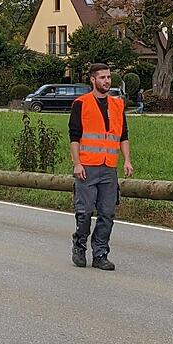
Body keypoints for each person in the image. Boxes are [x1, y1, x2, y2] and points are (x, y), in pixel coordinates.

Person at [69, 63, 133, 271]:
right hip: (87, 167)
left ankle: (100, 254)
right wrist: (77, 163)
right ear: (92, 80)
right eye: (102, 77)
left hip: (109, 168)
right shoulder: (81, 103)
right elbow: (74, 137)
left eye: (108, 77)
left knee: (107, 214)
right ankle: (79, 246)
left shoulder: (117, 104)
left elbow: (123, 136)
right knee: (85, 212)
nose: (107, 81)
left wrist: (127, 160)